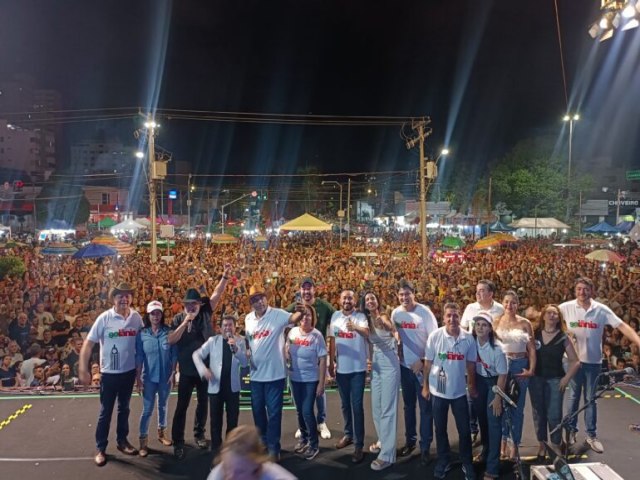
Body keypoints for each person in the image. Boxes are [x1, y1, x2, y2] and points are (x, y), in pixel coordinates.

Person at [559, 277, 640, 453]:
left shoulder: (601, 310)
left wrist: (638, 340)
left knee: (590, 400)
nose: (582, 292)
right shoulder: (565, 308)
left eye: (585, 289)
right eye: (579, 289)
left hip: (593, 362)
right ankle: (571, 431)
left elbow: (622, 326)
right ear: (575, 290)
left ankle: (591, 435)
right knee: (573, 397)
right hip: (572, 362)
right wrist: (564, 333)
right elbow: (548, 318)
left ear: (592, 291)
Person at [168, 263, 231, 460]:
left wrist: (225, 277)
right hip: (186, 370)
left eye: (194, 303)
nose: (191, 307)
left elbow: (216, 294)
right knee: (182, 406)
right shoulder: (179, 319)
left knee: (203, 404)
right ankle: (178, 441)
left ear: (199, 304)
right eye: (188, 304)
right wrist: (186, 321)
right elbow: (171, 340)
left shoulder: (205, 313)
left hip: (205, 369)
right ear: (184, 305)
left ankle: (199, 435)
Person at [79, 282, 144, 467]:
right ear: (113, 298)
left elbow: (141, 344)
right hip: (109, 374)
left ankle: (122, 441)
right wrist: (83, 369)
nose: (124, 299)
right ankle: (101, 448)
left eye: (127, 295)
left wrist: (141, 373)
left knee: (124, 409)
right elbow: (88, 344)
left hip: (128, 372)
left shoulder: (136, 318)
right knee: (105, 412)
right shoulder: (104, 318)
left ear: (131, 298)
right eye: (120, 296)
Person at [244, 284, 303, 461]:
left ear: (266, 298)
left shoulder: (277, 314)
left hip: (275, 375)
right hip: (256, 375)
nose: (258, 301)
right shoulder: (248, 319)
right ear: (251, 303)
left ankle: (273, 447)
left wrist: (302, 307)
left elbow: (294, 318)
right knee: (258, 413)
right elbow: (250, 341)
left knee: (274, 413)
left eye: (261, 297)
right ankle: (262, 443)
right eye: (254, 299)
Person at [421, 302, 477, 480]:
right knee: (440, 429)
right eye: (449, 316)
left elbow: (470, 365)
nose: (452, 319)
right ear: (443, 318)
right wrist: (425, 386)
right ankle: (443, 460)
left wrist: (472, 386)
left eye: (455, 315)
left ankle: (467, 462)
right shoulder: (435, 336)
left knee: (464, 430)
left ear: (460, 317)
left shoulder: (468, 338)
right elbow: (428, 363)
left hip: (459, 392)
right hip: (439, 391)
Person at [391, 279, 437, 464]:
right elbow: (395, 334)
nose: (404, 297)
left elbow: (434, 341)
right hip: (404, 368)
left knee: (425, 408)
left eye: (407, 294)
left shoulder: (424, 313)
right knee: (408, 406)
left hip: (423, 369)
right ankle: (410, 441)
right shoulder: (396, 313)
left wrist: (424, 361)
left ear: (413, 294)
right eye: (401, 295)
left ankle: (425, 446)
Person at [529, 304, 580, 460]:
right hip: (536, 379)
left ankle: (556, 444)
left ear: (559, 318)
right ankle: (542, 444)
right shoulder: (534, 334)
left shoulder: (563, 337)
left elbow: (575, 361)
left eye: (555, 314)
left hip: (555, 380)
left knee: (554, 415)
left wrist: (566, 378)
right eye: (549, 313)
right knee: (538, 414)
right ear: (543, 316)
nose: (552, 316)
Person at [286, 277, 335, 440]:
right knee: (300, 395)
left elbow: (337, 319)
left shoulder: (324, 306)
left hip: (319, 355)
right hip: (300, 357)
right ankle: (304, 424)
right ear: (300, 290)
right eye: (303, 288)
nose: (306, 291)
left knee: (319, 392)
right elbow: (281, 322)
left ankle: (321, 422)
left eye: (309, 288)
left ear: (315, 289)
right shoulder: (294, 307)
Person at [192, 314, 249, 455]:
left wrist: (236, 349)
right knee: (215, 422)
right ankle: (216, 451)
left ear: (235, 327)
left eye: (230, 325)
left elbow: (245, 363)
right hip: (215, 388)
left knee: (232, 421)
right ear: (220, 328)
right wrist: (203, 370)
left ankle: (231, 450)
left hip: (233, 388)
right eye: (225, 325)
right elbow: (196, 355)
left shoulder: (240, 342)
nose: (227, 328)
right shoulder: (213, 341)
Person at [461, 280, 505, 446]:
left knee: (491, 407)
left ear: (490, 294)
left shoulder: (500, 309)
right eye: (477, 291)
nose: (478, 294)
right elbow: (464, 329)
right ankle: (474, 431)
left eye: (481, 291)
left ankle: (492, 441)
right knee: (472, 399)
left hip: (493, 361)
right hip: (475, 362)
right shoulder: (470, 308)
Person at [328, 289, 369, 464]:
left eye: (350, 297)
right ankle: (348, 435)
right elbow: (332, 340)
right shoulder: (335, 316)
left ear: (355, 300)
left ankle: (359, 444)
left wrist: (356, 328)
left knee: (357, 406)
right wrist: (331, 362)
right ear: (339, 299)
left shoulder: (360, 316)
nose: (347, 300)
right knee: (345, 405)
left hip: (358, 369)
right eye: (344, 297)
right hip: (342, 370)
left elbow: (368, 333)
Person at [493, 290, 535, 461]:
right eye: (507, 302)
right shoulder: (495, 322)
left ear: (518, 305)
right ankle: (502, 442)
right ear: (502, 303)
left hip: (519, 366)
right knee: (501, 406)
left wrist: (531, 369)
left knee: (517, 408)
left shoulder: (525, 323)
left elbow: (531, 348)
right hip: (501, 366)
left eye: (513, 302)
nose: (509, 305)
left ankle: (515, 445)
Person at [362, 291, 401, 471]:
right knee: (376, 408)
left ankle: (388, 455)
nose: (370, 301)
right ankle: (383, 440)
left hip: (390, 364)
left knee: (387, 409)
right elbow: (370, 342)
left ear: (378, 301)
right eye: (367, 299)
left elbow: (390, 328)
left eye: (373, 298)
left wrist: (393, 332)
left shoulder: (383, 316)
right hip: (376, 364)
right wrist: (369, 360)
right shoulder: (367, 321)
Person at [135, 300, 177, 457]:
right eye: (152, 313)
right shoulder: (142, 334)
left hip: (165, 377)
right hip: (148, 378)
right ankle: (143, 441)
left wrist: (173, 372)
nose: (155, 316)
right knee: (147, 410)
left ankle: (162, 434)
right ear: (148, 315)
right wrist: (138, 378)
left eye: (158, 313)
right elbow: (139, 357)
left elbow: (174, 355)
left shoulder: (168, 332)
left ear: (162, 314)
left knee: (163, 406)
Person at [470, 312, 507, 480]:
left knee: (493, 423)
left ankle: (492, 467)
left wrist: (498, 398)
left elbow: (502, 375)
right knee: (482, 421)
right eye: (477, 324)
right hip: (478, 381)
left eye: (484, 325)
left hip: (494, 384)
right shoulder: (471, 343)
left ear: (490, 329)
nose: (480, 327)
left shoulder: (497, 349)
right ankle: (485, 452)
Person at [287, 305, 327, 461]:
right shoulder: (292, 332)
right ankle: (303, 438)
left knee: (307, 411)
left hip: (311, 379)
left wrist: (321, 383)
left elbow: (323, 359)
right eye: (302, 315)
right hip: (294, 378)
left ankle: (313, 444)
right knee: (299, 411)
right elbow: (287, 347)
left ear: (313, 317)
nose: (305, 318)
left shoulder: (317, 336)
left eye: (308, 315)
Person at [207, 425, 297, 480]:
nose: (229, 477)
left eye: (239, 471)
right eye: (226, 468)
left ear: (258, 469)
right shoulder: (218, 474)